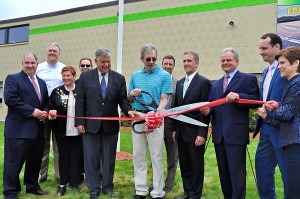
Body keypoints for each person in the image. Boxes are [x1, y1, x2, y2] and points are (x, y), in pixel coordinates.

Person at [75, 47, 134, 199]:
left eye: (108, 62)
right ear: (96, 62)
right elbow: (80, 100)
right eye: (103, 62)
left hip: (110, 127)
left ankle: (108, 186)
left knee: (108, 159)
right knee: (91, 157)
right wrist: (79, 122)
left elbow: (122, 100)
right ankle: (93, 188)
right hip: (89, 126)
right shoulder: (85, 77)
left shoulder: (119, 78)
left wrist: (128, 112)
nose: (106, 65)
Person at [200, 48, 259, 199]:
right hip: (219, 135)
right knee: (224, 174)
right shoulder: (216, 84)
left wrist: (239, 96)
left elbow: (255, 101)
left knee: (237, 174)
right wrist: (208, 111)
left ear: (236, 62)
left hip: (235, 135)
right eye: (223, 60)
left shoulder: (248, 79)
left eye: (228, 60)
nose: (225, 63)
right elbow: (213, 106)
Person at [128, 43, 172, 199]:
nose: (152, 61)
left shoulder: (164, 76)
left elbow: (164, 99)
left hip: (156, 118)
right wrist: (132, 94)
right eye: (148, 59)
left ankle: (158, 191)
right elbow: (129, 99)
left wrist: (156, 115)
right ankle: (140, 190)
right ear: (141, 59)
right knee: (138, 155)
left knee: (156, 155)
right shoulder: (135, 76)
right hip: (138, 117)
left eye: (154, 58)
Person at [3, 52, 49, 198]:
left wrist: (45, 112)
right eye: (27, 63)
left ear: (37, 64)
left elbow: (45, 103)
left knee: (35, 162)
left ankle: (32, 186)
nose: (30, 65)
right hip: (18, 131)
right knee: (13, 163)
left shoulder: (41, 82)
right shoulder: (12, 79)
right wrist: (33, 111)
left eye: (32, 63)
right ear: (22, 64)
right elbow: (10, 99)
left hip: (38, 130)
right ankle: (10, 191)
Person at [257, 46, 300, 199]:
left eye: (283, 63)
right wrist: (276, 108)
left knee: (294, 188)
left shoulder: (297, 82)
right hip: (290, 140)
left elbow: (287, 113)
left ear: (296, 63)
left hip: (295, 142)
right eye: (279, 63)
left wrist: (271, 111)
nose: (279, 67)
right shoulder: (292, 82)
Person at [173, 51, 211, 199]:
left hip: (196, 133)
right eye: (184, 61)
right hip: (181, 132)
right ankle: (187, 192)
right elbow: (177, 109)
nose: (186, 64)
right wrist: (175, 130)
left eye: (189, 61)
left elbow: (205, 110)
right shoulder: (180, 83)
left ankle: (195, 194)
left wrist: (202, 133)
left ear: (197, 63)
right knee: (184, 164)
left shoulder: (204, 82)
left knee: (196, 165)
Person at [254, 33, 288, 198]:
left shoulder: (288, 68)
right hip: (266, 128)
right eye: (260, 48)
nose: (261, 52)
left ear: (277, 47)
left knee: (289, 175)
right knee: (262, 171)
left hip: (284, 130)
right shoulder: (265, 71)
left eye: (264, 48)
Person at [48, 66, 84, 196]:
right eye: (64, 76)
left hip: (77, 130)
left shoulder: (81, 91)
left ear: (74, 76)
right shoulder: (56, 91)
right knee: (63, 157)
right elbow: (50, 106)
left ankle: (74, 183)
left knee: (76, 157)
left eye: (68, 75)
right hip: (61, 130)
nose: (66, 78)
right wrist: (51, 112)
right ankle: (62, 184)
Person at [36, 43, 66, 183]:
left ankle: (60, 176)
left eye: (55, 51)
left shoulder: (63, 67)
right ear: (46, 52)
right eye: (50, 50)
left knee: (59, 145)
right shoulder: (39, 68)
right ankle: (41, 176)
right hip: (43, 110)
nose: (52, 52)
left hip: (60, 112)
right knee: (43, 145)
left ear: (59, 53)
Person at [161, 55, 178, 192]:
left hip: (171, 123)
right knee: (157, 154)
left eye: (170, 64)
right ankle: (157, 182)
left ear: (173, 66)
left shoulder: (178, 84)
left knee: (172, 156)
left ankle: (168, 184)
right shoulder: (157, 81)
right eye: (165, 64)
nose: (167, 66)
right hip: (157, 121)